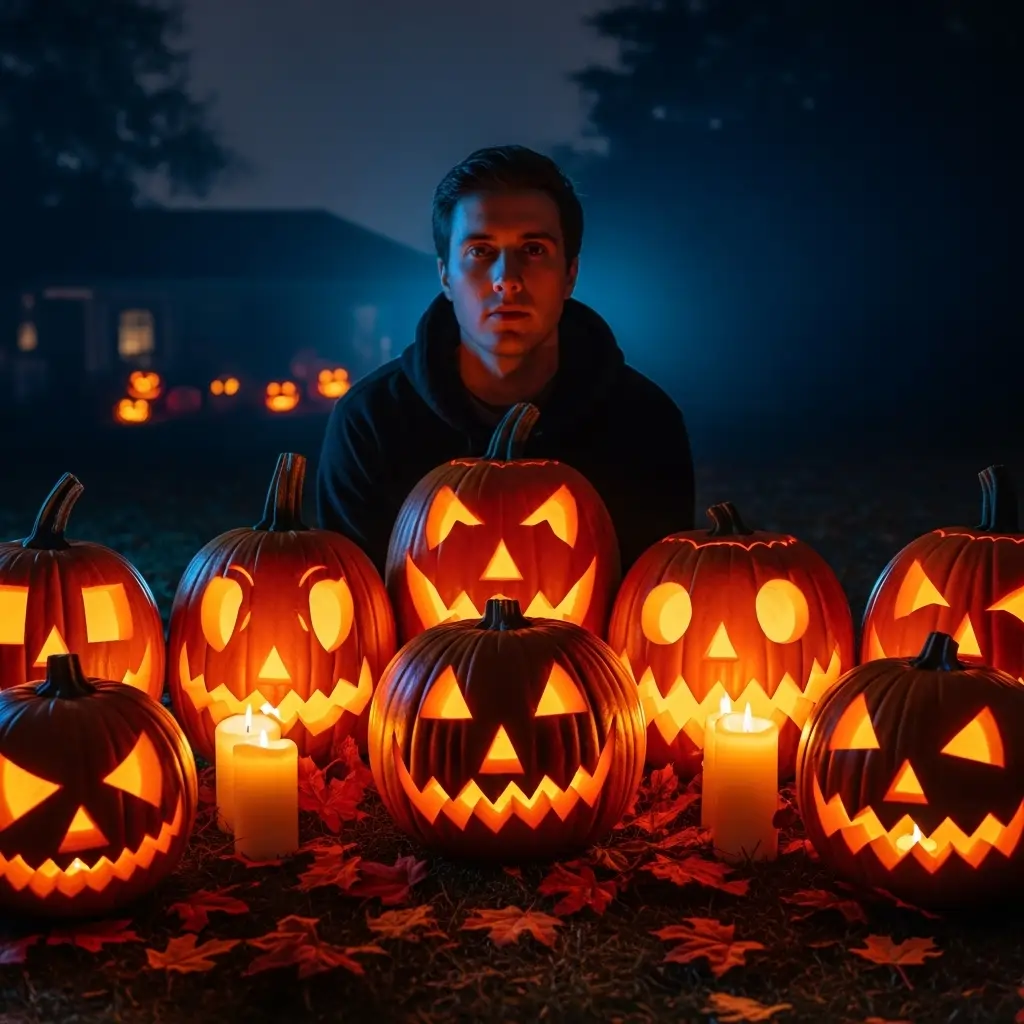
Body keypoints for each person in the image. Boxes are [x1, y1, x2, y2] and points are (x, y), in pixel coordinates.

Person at [317, 145, 695, 577]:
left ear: (569, 274)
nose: (507, 281)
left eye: (533, 250)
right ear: (445, 274)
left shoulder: (645, 423)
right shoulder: (370, 423)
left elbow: (656, 605)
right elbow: (355, 613)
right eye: (481, 251)